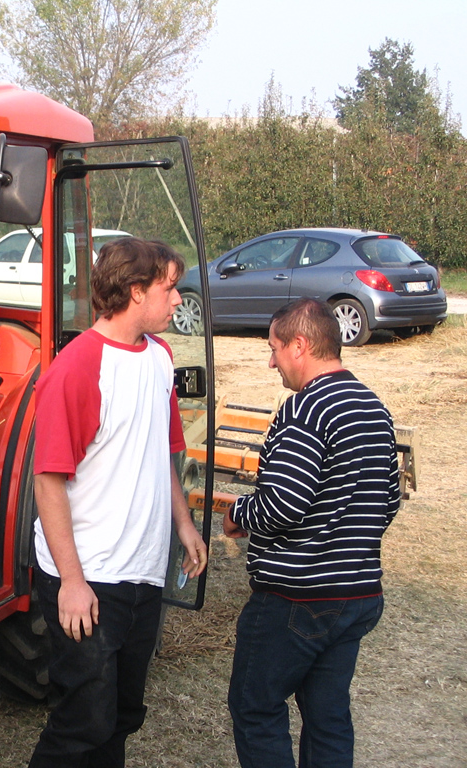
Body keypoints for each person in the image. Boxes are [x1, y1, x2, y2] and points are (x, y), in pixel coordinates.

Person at [28, 237, 208, 768]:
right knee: (83, 721)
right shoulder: (77, 367)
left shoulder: (160, 357)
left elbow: (163, 452)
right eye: (169, 288)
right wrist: (73, 582)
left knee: (122, 716)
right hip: (90, 574)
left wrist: (185, 525)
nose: (178, 300)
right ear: (135, 292)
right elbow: (47, 481)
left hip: (143, 572)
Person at [224, 297, 401, 768]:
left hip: (295, 598)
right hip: (356, 594)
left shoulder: (305, 410)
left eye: (275, 348)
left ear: (299, 345)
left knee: (255, 706)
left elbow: (283, 503)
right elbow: (387, 500)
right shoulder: (374, 408)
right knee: (328, 717)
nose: (271, 360)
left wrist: (239, 512)